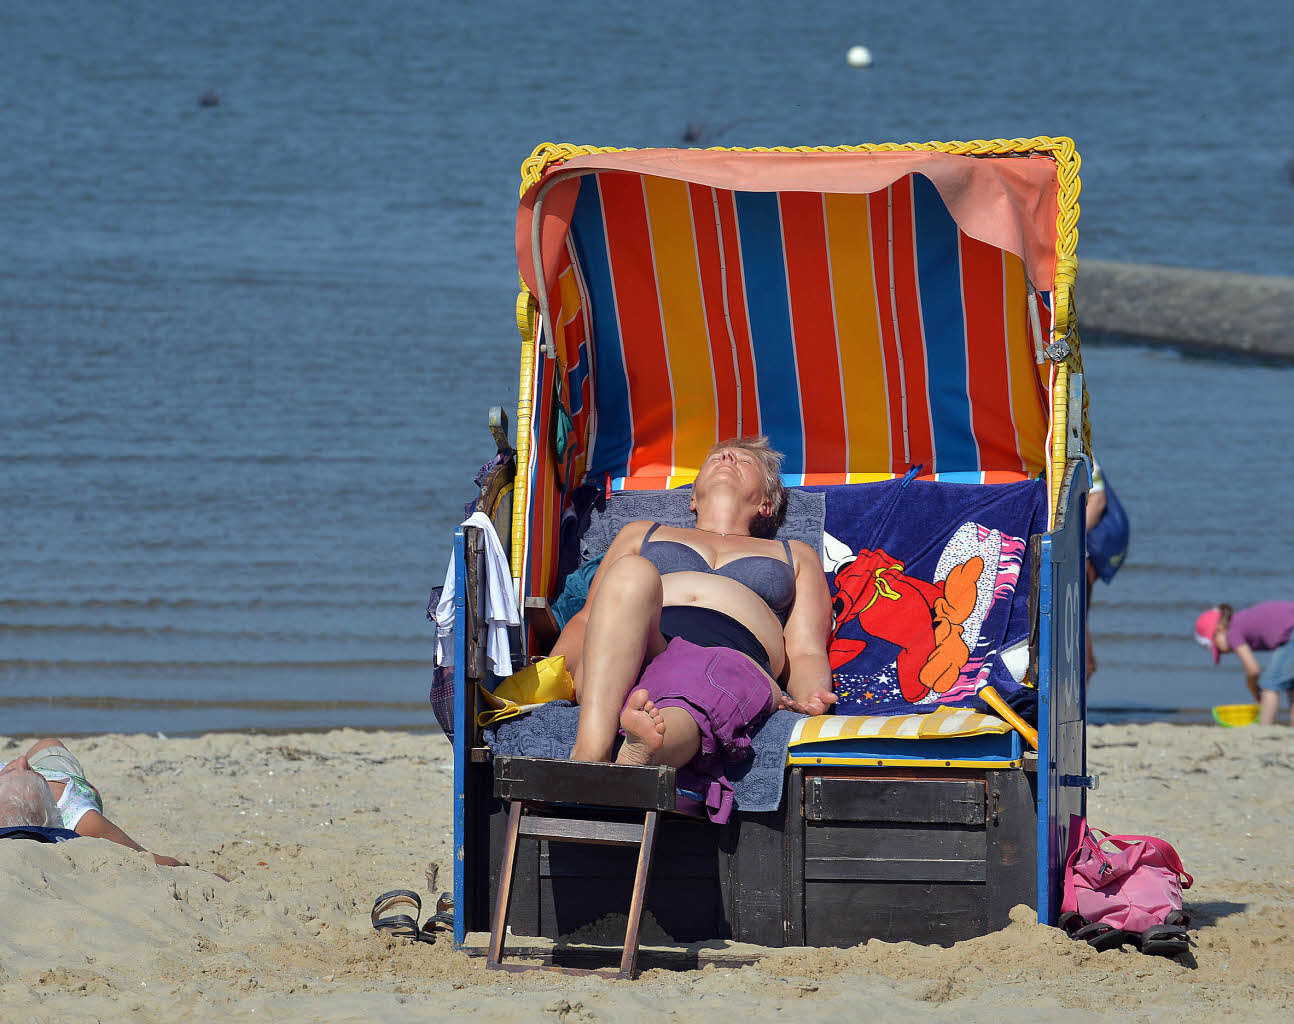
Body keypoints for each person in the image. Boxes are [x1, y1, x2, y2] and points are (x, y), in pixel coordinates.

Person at [549, 437, 835, 822]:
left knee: (701, 680)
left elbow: (805, 648)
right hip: (641, 648)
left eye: (744, 460)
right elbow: (590, 618)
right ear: (692, 499)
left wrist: (813, 694)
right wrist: (550, 674)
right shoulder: (642, 531)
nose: (726, 455)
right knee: (632, 573)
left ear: (767, 504)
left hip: (734, 658)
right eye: (715, 455)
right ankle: (591, 753)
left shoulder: (795, 553)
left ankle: (649, 749)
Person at [0, 738, 187, 865]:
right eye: (29, 770)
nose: (21, 759)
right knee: (50, 744)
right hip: (61, 777)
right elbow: (147, 859)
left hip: (24, 787)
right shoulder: (80, 818)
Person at [1195, 601, 1294, 726]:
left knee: (1270, 685)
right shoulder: (1240, 621)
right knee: (1291, 685)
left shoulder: (1232, 633)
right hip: (1289, 632)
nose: (1223, 652)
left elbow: (1253, 669)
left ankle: (1264, 730)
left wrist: (1253, 690)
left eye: (1217, 649)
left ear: (1219, 630)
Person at [1085, 457, 1129, 678]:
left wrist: (1061, 540)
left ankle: (1079, 698)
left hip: (1078, 554)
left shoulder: (1075, 446)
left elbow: (1098, 500)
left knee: (1075, 625)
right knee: (1075, 625)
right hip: (1078, 552)